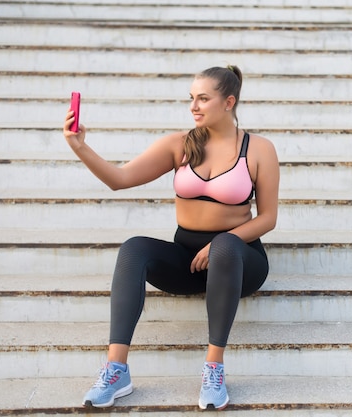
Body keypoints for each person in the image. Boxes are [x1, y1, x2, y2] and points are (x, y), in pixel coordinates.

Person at [62, 65, 280, 410]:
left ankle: (214, 370)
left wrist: (220, 243)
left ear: (228, 102)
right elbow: (119, 179)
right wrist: (78, 146)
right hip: (188, 260)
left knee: (224, 245)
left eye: (203, 98)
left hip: (240, 260)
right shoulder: (179, 145)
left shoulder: (258, 149)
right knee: (134, 248)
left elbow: (268, 218)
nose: (194, 106)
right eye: (191, 98)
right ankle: (116, 369)